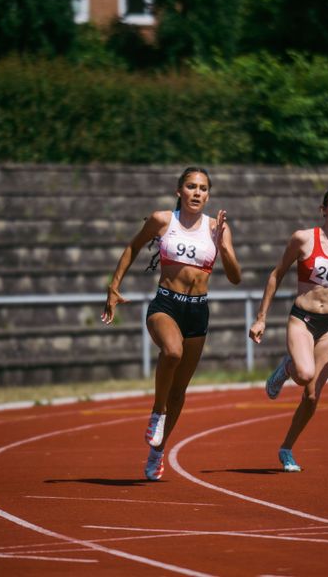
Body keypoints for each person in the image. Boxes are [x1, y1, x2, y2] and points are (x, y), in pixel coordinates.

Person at [102, 167, 241, 480]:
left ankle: (157, 451)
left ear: (208, 194)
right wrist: (114, 286)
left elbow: (235, 278)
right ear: (179, 190)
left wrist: (224, 246)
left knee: (180, 391)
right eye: (191, 186)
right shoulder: (163, 220)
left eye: (203, 188)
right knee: (172, 352)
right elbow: (133, 247)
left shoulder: (217, 227)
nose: (197, 193)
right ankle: (156, 411)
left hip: (197, 311)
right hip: (165, 304)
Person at [249, 186, 328, 472]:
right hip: (302, 318)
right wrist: (261, 317)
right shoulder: (303, 239)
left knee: (312, 396)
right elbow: (277, 273)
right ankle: (286, 369)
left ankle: (287, 448)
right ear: (323, 209)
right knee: (303, 374)